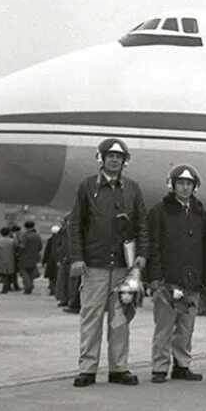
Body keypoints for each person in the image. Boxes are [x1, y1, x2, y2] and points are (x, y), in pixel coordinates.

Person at [67, 138, 147, 388]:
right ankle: (87, 368)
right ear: (101, 159)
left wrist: (142, 255)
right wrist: (78, 258)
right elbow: (74, 225)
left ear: (125, 161)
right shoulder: (87, 187)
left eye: (119, 157)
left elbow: (142, 225)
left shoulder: (133, 189)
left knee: (120, 317)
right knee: (91, 317)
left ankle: (118, 368)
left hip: (124, 267)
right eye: (110, 156)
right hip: (94, 265)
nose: (114, 160)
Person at [145, 164, 206, 383]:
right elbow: (152, 245)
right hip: (167, 281)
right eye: (180, 183)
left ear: (194, 187)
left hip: (192, 280)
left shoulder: (201, 213)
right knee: (164, 327)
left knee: (186, 327)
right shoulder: (158, 211)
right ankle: (159, 367)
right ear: (172, 186)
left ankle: (182, 365)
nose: (184, 188)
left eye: (189, 184)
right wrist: (154, 277)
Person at [18, 221, 43, 294]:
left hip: (25, 257)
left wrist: (19, 253)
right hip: (34, 257)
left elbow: (22, 246)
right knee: (31, 272)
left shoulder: (26, 235)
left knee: (24, 272)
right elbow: (40, 247)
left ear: (26, 227)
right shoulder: (37, 235)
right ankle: (30, 286)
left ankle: (28, 286)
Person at [0, 227, 16, 294]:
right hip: (9, 259)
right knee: (6, 275)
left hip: (0, 259)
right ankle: (5, 289)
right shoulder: (12, 241)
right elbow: (16, 247)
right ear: (8, 233)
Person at [42, 225, 60, 295]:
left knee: (51, 276)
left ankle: (52, 289)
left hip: (51, 261)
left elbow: (47, 251)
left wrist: (44, 261)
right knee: (57, 276)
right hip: (58, 260)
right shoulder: (61, 239)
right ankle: (55, 289)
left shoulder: (50, 240)